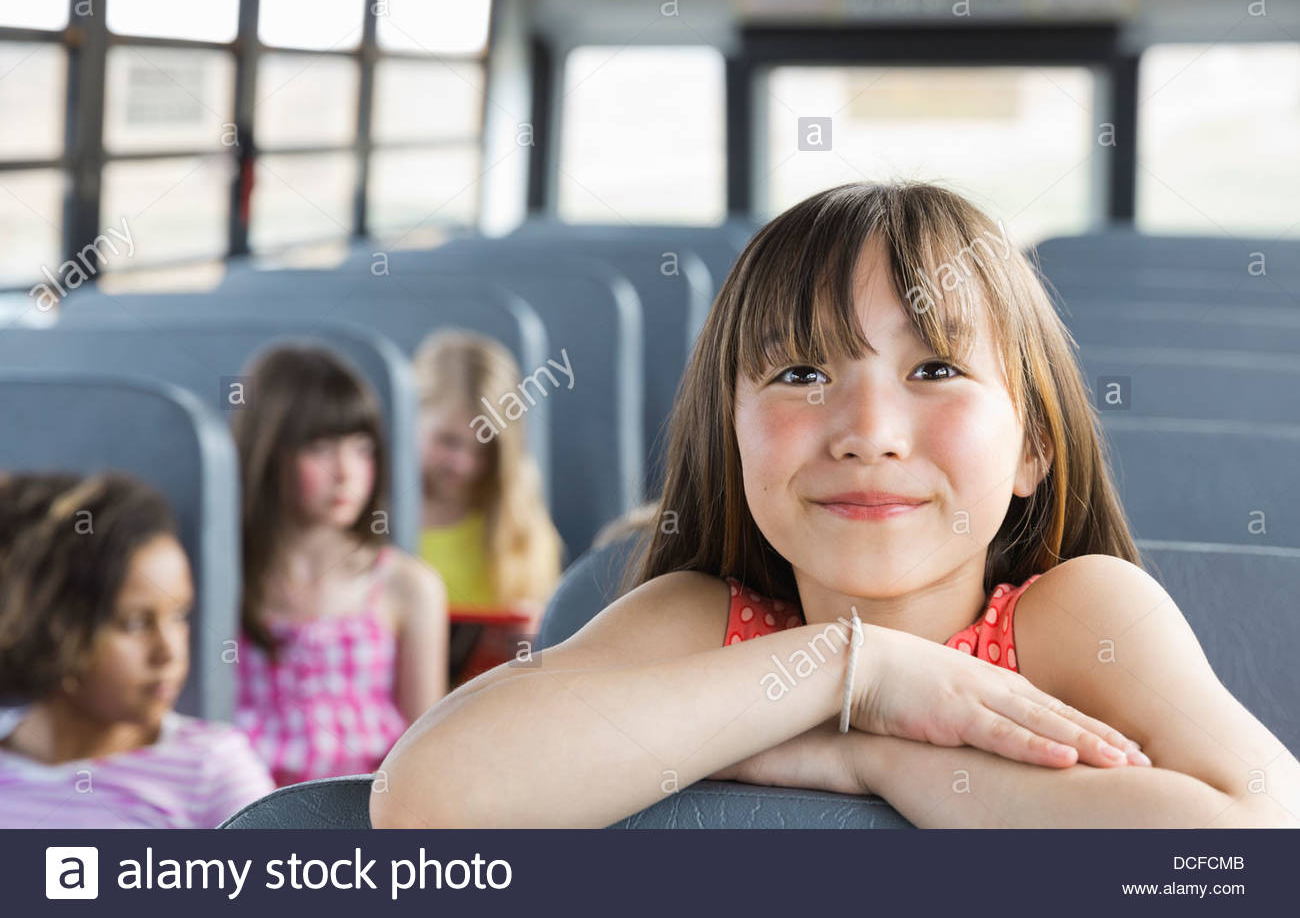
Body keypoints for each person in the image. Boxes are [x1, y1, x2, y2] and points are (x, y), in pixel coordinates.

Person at [370, 182, 1300, 828]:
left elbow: (1255, 844)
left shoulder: (1078, 614)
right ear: (730, 440)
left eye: (934, 369)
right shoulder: (706, 622)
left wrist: (869, 757)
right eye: (801, 372)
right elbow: (427, 800)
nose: (867, 431)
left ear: (1033, 447)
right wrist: (843, 670)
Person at [0, 473, 274, 828]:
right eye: (134, 624)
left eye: (179, 616)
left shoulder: (211, 772)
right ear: (51, 627)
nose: (169, 651)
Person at [232, 344, 447, 788]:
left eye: (362, 449)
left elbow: (426, 755)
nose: (347, 472)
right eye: (320, 448)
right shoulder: (223, 582)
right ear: (270, 452)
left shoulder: (407, 586)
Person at [412, 329, 562, 632]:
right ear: (410, 417)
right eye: (448, 441)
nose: (464, 464)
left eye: (484, 449)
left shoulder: (521, 522)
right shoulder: (372, 507)